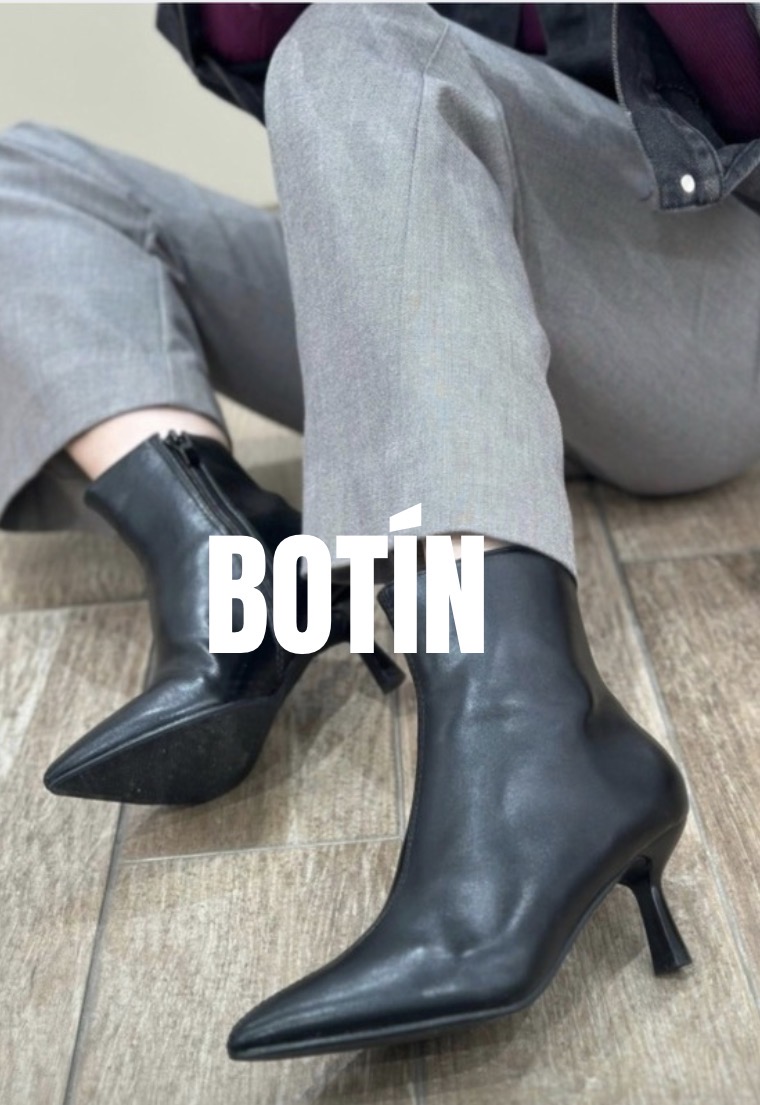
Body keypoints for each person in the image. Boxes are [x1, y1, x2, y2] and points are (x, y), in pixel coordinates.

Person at [3, 1, 759, 1061]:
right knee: (27, 177)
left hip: (681, 303)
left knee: (352, 50)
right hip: (446, 291)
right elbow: (248, 40)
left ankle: (535, 747)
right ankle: (234, 563)